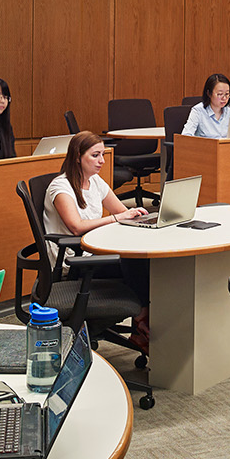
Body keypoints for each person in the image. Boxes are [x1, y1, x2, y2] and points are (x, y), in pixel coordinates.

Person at [43, 131, 152, 344]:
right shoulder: (60, 186)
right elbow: (76, 227)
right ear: (77, 157)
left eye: (102, 154)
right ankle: (143, 321)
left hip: (91, 253)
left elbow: (122, 212)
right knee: (133, 260)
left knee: (143, 260)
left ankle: (143, 322)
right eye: (95, 155)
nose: (102, 161)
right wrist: (116, 218)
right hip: (72, 262)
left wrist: (138, 216)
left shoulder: (95, 181)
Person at [181, 73, 230, 138]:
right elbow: (186, 136)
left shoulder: (229, 109)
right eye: (220, 94)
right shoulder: (198, 111)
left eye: (227, 94)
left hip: (225, 147)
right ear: (209, 93)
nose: (224, 98)